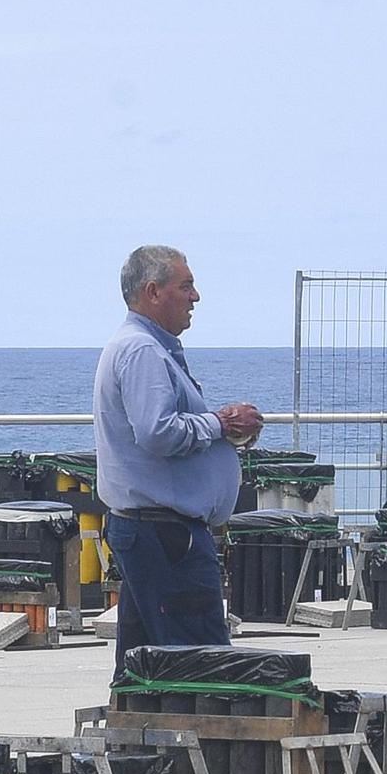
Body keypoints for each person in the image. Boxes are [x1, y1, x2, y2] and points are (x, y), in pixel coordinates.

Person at [94, 245, 264, 675]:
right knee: (200, 664)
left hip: (153, 531)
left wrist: (217, 428)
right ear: (153, 292)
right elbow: (157, 432)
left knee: (143, 664)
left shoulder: (148, 348)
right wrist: (221, 424)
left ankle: (132, 739)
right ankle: (198, 741)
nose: (196, 296)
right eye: (185, 286)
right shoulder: (143, 352)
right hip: (165, 535)